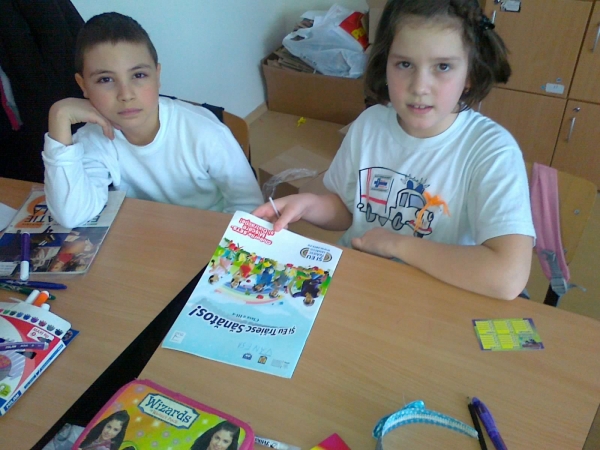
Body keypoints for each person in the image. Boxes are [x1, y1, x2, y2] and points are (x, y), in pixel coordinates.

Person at [253, 0, 535, 300]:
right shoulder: (369, 124)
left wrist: (395, 244)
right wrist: (309, 205)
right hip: (360, 281)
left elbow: (508, 277)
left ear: (470, 75)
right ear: (385, 64)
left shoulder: (492, 150)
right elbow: (348, 210)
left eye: (443, 67)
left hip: (432, 297)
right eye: (404, 64)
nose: (420, 87)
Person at [43, 12, 263, 228]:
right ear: (83, 85)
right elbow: (73, 215)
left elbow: (250, 209)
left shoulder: (205, 133)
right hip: (146, 236)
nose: (126, 94)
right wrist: (59, 115)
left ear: (157, 76)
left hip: (210, 234)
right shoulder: (93, 138)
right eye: (106, 79)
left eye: (138, 75)